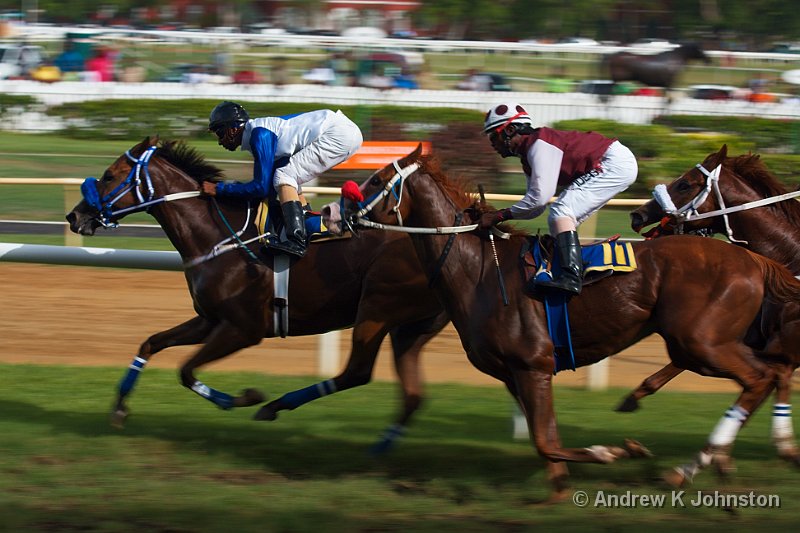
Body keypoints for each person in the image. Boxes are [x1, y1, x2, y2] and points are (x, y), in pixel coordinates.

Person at [478, 103, 637, 295]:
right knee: (560, 220)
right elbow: (535, 207)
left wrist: (499, 216)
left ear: (510, 130)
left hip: (613, 163)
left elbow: (539, 199)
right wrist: (500, 214)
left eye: (494, 136)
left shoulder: (539, 145)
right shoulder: (529, 154)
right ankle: (573, 269)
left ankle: (571, 277)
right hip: (614, 162)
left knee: (561, 211)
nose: (492, 143)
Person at [202, 101, 363, 258]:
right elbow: (269, 188)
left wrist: (220, 189)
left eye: (220, 133)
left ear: (232, 129)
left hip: (338, 133)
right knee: (286, 177)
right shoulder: (259, 133)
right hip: (343, 131)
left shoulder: (260, 134)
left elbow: (260, 188)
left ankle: (297, 240)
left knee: (284, 176)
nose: (219, 141)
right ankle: (305, 220)